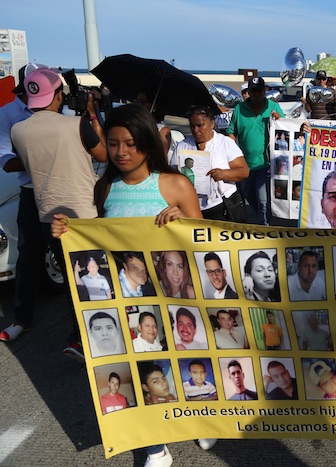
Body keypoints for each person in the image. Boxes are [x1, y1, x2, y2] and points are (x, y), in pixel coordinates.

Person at [50, 103, 205, 462]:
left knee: (184, 364)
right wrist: (68, 232)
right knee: (142, 370)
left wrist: (182, 218)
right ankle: (156, 446)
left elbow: (203, 240)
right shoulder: (105, 188)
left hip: (174, 297)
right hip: (130, 301)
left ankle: (200, 423)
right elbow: (103, 242)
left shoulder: (175, 184)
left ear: (148, 144)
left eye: (131, 143)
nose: (121, 152)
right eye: (114, 143)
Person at [13, 68, 107, 356]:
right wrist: (91, 113)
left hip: (48, 215)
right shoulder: (76, 124)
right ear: (56, 95)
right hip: (84, 212)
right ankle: (88, 335)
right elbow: (103, 154)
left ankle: (79, 335)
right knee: (94, 275)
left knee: (70, 276)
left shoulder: (18, 130)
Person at [0, 63, 45, 343]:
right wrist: (38, 158)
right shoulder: (8, 113)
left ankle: (80, 325)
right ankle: (21, 320)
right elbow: (5, 160)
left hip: (58, 191)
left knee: (69, 260)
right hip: (30, 191)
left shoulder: (55, 111)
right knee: (27, 258)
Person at [172, 106, 249, 222]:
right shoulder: (183, 145)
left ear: (212, 124)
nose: (196, 130)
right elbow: (171, 173)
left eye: (200, 125)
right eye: (192, 126)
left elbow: (244, 171)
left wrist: (223, 174)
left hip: (221, 206)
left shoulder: (225, 143)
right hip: (192, 207)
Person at [227, 76, 284, 225]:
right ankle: (262, 220)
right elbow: (231, 131)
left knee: (263, 201)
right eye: (253, 91)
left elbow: (286, 130)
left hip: (266, 164)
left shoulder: (274, 107)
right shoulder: (239, 109)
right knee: (250, 198)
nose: (256, 94)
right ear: (249, 92)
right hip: (245, 165)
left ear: (264, 91)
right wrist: (231, 148)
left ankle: (264, 230)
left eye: (259, 90)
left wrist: (279, 120)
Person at [133, 89, 172, 157]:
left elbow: (160, 156)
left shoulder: (162, 130)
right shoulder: (134, 125)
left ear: (154, 106)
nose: (138, 106)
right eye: (136, 101)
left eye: (141, 102)